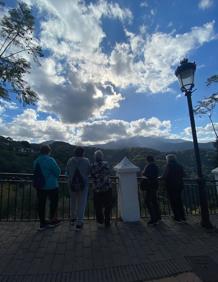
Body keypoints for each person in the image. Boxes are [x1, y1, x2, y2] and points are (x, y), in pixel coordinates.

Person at [33, 145, 61, 230]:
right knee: (53, 203)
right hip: (52, 186)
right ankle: (52, 221)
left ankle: (42, 223)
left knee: (41, 204)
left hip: (40, 186)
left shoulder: (36, 161)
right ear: (49, 151)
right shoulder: (50, 160)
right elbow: (58, 172)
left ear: (41, 151)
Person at [66, 146, 90, 230]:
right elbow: (88, 172)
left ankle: (72, 218)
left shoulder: (70, 160)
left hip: (72, 184)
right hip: (83, 185)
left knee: (73, 201)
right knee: (81, 203)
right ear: (82, 153)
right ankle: (79, 223)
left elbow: (67, 172)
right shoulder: (86, 161)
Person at [91, 150, 112, 228]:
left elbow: (92, 175)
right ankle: (107, 221)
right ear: (102, 157)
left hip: (97, 189)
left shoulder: (92, 165)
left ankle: (100, 221)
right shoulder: (106, 164)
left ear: (95, 157)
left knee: (98, 206)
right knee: (108, 205)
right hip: (107, 188)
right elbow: (109, 173)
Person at [162, 154, 186, 223]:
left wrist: (160, 178)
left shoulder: (169, 165)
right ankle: (183, 217)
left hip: (171, 186)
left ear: (168, 159)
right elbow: (184, 175)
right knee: (179, 201)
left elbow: (164, 176)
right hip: (179, 185)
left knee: (173, 202)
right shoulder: (179, 165)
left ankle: (177, 218)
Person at [142, 155, 161, 225]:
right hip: (155, 185)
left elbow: (145, 174)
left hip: (150, 186)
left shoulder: (149, 166)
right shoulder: (155, 166)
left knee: (147, 201)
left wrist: (143, 172)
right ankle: (158, 216)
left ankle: (153, 218)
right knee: (154, 201)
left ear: (147, 160)